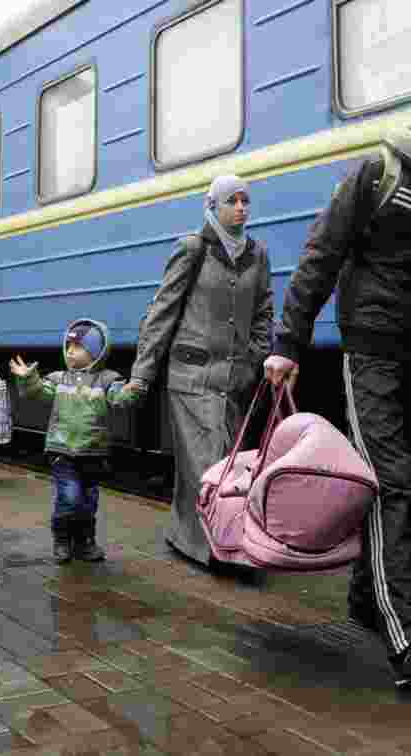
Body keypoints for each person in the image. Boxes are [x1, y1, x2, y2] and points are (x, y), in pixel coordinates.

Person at [263, 78, 411, 688]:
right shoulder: (377, 174)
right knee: (389, 481)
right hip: (371, 349)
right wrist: (288, 344)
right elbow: (320, 256)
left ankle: (365, 599)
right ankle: (408, 640)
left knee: (409, 477)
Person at [122, 175, 273, 564]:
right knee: (208, 461)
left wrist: (253, 359)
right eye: (232, 201)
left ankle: (192, 537)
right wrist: (142, 374)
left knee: (221, 462)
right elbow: (163, 311)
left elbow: (263, 313)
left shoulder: (257, 255)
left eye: (245, 200)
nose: (241, 207)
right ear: (213, 206)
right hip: (191, 376)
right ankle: (215, 548)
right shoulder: (192, 249)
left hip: (234, 379)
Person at [10, 318, 142, 562]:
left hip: (94, 453)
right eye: (68, 347)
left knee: (89, 500)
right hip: (63, 451)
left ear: (95, 353)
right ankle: (62, 538)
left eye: (77, 347)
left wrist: (133, 389)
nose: (70, 352)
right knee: (69, 497)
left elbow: (120, 399)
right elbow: (38, 392)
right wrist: (28, 378)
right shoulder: (59, 379)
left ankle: (84, 542)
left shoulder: (107, 380)